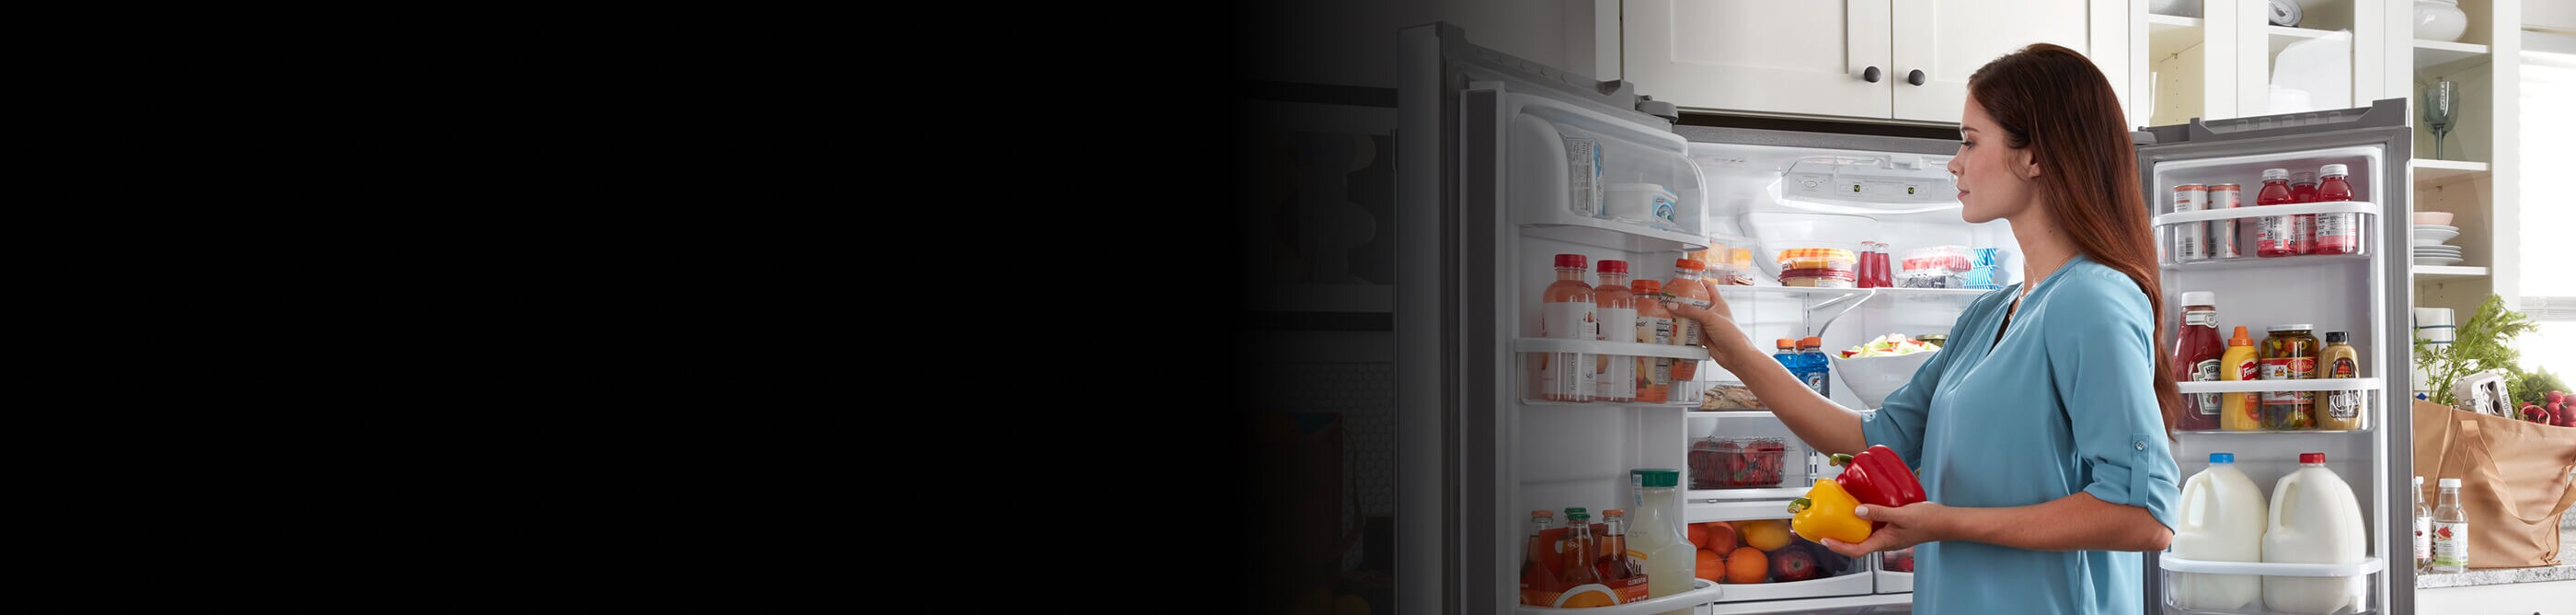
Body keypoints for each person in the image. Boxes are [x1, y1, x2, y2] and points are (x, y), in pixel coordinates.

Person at [1662, 43, 2179, 614]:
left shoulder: (2092, 299)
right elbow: (1870, 438)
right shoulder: (1992, 313)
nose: (1955, 163)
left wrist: (1945, 523)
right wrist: (1735, 352)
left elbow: (2144, 517)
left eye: (1970, 139)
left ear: (2034, 156)